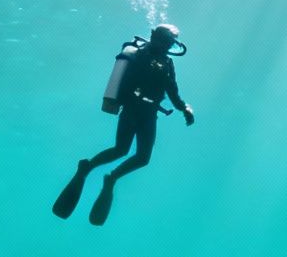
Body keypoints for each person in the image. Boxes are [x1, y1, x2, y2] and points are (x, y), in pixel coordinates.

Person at [53, 24, 195, 226]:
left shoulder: (167, 63)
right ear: (154, 35)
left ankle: (112, 178)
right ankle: (87, 167)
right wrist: (118, 100)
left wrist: (184, 108)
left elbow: (172, 90)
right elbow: (127, 81)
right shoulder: (137, 54)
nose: (166, 45)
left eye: (170, 42)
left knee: (143, 158)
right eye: (164, 39)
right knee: (121, 149)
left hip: (150, 112)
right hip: (132, 108)